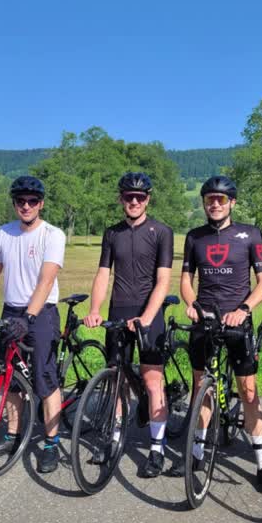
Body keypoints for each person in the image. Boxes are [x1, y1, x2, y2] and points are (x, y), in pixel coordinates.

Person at [171, 176, 262, 492]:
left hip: (237, 319)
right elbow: (186, 279)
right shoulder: (195, 237)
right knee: (200, 387)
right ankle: (196, 454)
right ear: (204, 203)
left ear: (232, 203)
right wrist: (192, 304)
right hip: (205, 319)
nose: (215, 204)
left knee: (248, 391)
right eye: (209, 199)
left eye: (221, 199)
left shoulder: (250, 234)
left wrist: (244, 309)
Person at [0, 176, 66, 473]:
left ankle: (51, 443)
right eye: (21, 201)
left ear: (41, 204)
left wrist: (29, 318)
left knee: (45, 379)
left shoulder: (52, 234)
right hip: (12, 310)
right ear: (14, 204)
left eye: (32, 201)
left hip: (41, 312)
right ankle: (11, 436)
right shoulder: (4, 233)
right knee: (9, 377)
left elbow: (46, 280)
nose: (26, 206)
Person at [84, 172, 174, 479]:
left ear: (148, 199)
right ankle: (113, 439)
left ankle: (157, 448)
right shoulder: (112, 233)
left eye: (140, 197)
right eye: (128, 196)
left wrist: (147, 316)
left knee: (152, 380)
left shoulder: (161, 232)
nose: (134, 201)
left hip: (149, 313)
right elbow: (103, 274)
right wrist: (95, 310)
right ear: (120, 199)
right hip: (119, 310)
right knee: (117, 378)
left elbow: (163, 280)